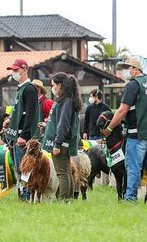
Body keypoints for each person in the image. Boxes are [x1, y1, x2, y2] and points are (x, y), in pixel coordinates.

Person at [101, 56, 147, 202]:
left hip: (137, 133)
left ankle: (130, 199)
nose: (126, 72)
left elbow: (122, 111)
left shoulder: (133, 85)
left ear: (136, 69)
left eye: (128, 68)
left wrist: (109, 128)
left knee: (133, 168)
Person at [3, 59, 39, 201]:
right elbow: (20, 112)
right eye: (13, 70)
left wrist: (24, 135)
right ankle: (23, 192)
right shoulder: (21, 88)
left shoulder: (29, 89)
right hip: (16, 134)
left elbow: (30, 114)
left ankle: (27, 194)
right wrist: (10, 121)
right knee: (19, 167)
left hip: (23, 137)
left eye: (16, 70)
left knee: (25, 167)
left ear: (24, 70)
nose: (14, 73)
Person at [42, 72, 81, 201]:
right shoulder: (67, 100)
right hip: (63, 142)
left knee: (62, 173)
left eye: (53, 85)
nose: (52, 88)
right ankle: (68, 199)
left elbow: (63, 124)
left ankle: (64, 200)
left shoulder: (65, 101)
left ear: (60, 85)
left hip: (61, 143)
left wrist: (57, 143)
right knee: (67, 171)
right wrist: (47, 126)